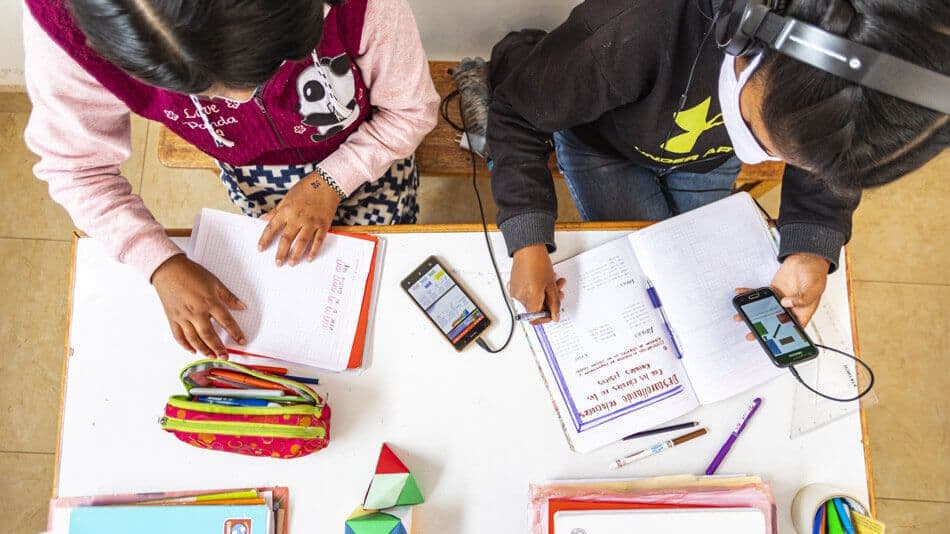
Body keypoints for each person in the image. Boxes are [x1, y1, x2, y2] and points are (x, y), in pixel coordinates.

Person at [488, 0, 948, 327]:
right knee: (647, 272)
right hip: (604, 145)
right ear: (747, 39)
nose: (781, 164)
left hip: (702, 157)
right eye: (769, 142)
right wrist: (528, 240)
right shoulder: (637, 25)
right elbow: (516, 111)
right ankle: (524, 48)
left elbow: (827, 158)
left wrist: (810, 247)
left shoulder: (831, 88)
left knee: (685, 277)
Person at [23, 0, 439, 357]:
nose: (241, 101)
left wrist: (331, 180)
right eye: (203, 93)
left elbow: (408, 112)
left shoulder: (364, 9)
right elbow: (76, 169)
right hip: (250, 173)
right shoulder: (64, 37)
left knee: (387, 265)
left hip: (372, 149)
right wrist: (158, 262)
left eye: (269, 65)